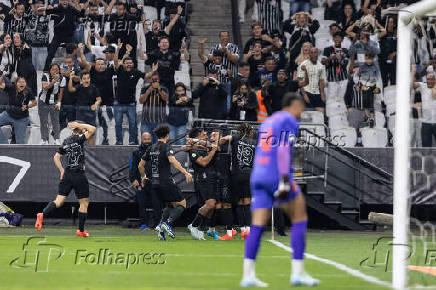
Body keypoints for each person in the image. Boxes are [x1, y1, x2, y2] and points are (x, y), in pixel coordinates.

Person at [240, 93, 319, 287]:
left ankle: (248, 275)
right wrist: (284, 179)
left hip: (258, 175)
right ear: (295, 105)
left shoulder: (267, 122)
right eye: (301, 108)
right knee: (299, 215)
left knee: (257, 225)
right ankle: (298, 272)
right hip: (276, 174)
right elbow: (283, 149)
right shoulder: (289, 120)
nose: (302, 113)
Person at [35, 121, 96, 238]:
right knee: (84, 203)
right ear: (81, 130)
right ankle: (81, 230)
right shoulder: (80, 138)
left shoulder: (66, 141)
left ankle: (42, 214)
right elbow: (92, 129)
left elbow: (56, 157)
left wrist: (62, 170)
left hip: (67, 174)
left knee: (58, 201)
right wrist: (80, 125)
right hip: (78, 174)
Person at [138, 125, 193, 241]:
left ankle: (160, 228)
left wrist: (143, 177)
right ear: (167, 135)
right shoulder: (166, 147)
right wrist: (185, 173)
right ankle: (167, 223)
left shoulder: (151, 148)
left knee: (170, 205)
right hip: (166, 182)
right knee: (182, 204)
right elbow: (172, 160)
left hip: (154, 183)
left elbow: (140, 165)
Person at [220, 123, 257, 241]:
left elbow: (225, 139)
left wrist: (222, 140)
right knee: (247, 202)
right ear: (249, 132)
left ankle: (234, 232)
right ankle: (247, 231)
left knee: (233, 203)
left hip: (236, 174)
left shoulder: (236, 137)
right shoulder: (254, 142)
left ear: (240, 131)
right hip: (250, 174)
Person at [79, 44, 115, 145]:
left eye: (102, 64)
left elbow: (117, 63)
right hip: (94, 104)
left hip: (107, 104)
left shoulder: (109, 71)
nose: (100, 66)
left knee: (106, 125)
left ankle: (106, 140)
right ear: (95, 65)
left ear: (105, 64)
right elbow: (85, 62)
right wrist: (81, 52)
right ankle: (92, 143)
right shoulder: (92, 72)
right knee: (93, 125)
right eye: (98, 64)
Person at [187, 128, 219, 240]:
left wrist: (211, 147)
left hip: (211, 178)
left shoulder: (203, 147)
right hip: (203, 179)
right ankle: (194, 225)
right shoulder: (193, 151)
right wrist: (213, 151)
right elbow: (204, 162)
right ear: (197, 137)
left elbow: (216, 146)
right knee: (210, 204)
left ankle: (201, 229)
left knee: (212, 206)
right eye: (203, 135)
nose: (206, 136)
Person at [40, 0, 86, 71]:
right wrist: (43, 10)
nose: (65, 1)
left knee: (75, 52)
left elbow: (81, 15)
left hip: (69, 36)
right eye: (62, 0)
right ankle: (45, 70)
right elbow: (44, 13)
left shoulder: (72, 9)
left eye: (66, 0)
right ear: (59, 1)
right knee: (51, 53)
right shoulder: (56, 9)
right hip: (58, 36)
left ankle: (78, 68)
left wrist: (83, 9)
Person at [114, 42, 145, 145]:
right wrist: (118, 50)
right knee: (118, 124)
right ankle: (119, 141)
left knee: (133, 124)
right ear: (124, 64)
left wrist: (153, 71)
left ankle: (133, 141)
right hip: (118, 103)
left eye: (130, 63)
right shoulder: (120, 70)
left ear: (133, 64)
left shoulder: (136, 72)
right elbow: (115, 62)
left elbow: (147, 75)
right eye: (126, 62)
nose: (128, 64)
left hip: (131, 103)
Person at [129, 132, 160, 230]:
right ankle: (143, 224)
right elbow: (132, 167)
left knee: (157, 204)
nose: (147, 141)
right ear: (141, 139)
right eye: (145, 139)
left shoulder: (157, 150)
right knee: (142, 204)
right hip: (141, 182)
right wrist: (133, 179)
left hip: (155, 182)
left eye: (148, 139)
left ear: (151, 139)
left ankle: (157, 224)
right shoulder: (136, 152)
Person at [0, 74, 36, 144]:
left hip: (21, 118)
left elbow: (34, 102)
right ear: (16, 83)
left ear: (26, 83)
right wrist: (2, 76)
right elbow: (0, 84)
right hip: (8, 114)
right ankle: (4, 143)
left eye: (23, 82)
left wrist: (27, 106)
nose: (22, 84)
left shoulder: (28, 91)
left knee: (20, 142)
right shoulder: (11, 87)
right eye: (20, 82)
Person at [68, 71, 101, 145]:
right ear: (81, 80)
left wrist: (95, 104)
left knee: (91, 133)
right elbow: (71, 89)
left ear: (90, 79)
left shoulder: (93, 87)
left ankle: (91, 152)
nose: (86, 80)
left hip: (90, 112)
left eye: (88, 78)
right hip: (80, 111)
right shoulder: (79, 87)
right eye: (84, 79)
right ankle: (78, 151)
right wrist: (70, 78)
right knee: (79, 132)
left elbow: (99, 99)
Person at [38, 64, 65, 145]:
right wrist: (53, 81)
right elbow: (45, 88)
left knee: (56, 121)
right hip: (43, 101)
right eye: (53, 69)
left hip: (54, 102)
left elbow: (61, 92)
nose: (55, 71)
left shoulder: (62, 78)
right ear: (50, 70)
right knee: (43, 121)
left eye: (56, 69)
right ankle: (44, 139)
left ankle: (57, 139)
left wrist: (59, 102)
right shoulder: (45, 76)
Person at [139, 71, 169, 142]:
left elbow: (166, 99)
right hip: (146, 121)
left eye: (156, 79)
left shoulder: (164, 89)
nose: (155, 81)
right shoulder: (145, 88)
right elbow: (141, 101)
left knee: (159, 143)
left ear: (159, 80)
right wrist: (148, 91)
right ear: (150, 80)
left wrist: (159, 89)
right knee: (146, 142)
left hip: (160, 122)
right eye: (153, 80)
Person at [297, 48, 326, 114]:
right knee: (306, 115)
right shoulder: (303, 64)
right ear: (309, 54)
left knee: (321, 113)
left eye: (315, 52)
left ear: (317, 54)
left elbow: (321, 81)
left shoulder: (321, 66)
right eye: (311, 52)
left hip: (317, 93)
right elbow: (300, 81)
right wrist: (304, 95)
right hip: (306, 92)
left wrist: (322, 94)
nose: (313, 54)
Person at [412, 68, 436, 147]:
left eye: (432, 79)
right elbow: (412, 85)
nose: (429, 81)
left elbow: (434, 95)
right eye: (428, 79)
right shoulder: (423, 86)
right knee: (425, 146)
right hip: (426, 123)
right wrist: (413, 72)